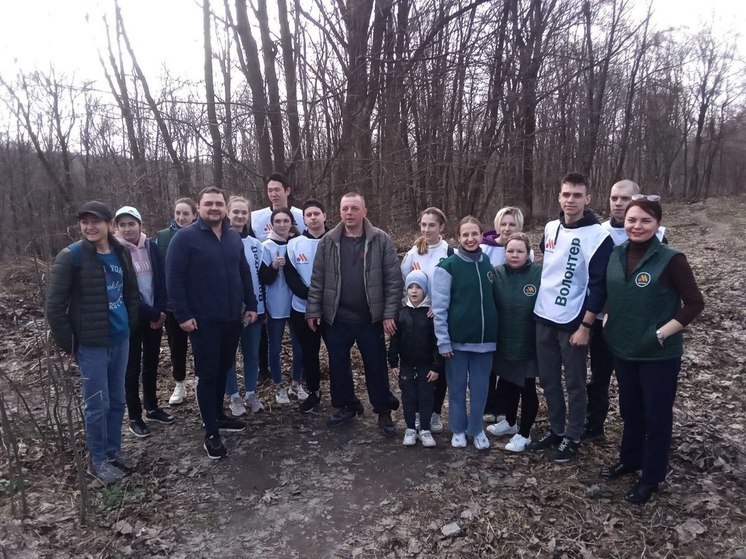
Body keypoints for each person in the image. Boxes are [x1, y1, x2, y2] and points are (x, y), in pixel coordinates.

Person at [600, 197, 703, 504]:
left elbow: (695, 303)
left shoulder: (671, 259)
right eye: (632, 220)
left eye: (645, 220)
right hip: (623, 348)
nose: (637, 226)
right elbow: (611, 292)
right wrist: (607, 318)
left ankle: (652, 476)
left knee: (656, 415)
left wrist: (662, 333)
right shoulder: (616, 253)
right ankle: (630, 459)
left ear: (657, 223)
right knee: (630, 411)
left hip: (658, 355)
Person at [46, 201, 139, 485]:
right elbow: (54, 307)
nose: (89, 226)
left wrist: (129, 324)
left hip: (120, 338)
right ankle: (98, 460)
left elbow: (131, 293)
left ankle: (113, 451)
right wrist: (71, 344)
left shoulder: (120, 252)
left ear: (109, 225)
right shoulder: (71, 257)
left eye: (95, 221)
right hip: (91, 344)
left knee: (118, 399)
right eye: (84, 221)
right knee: (97, 404)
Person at [166, 187, 258, 459]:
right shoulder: (185, 239)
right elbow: (174, 278)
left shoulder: (232, 237)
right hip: (203, 321)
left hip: (232, 318)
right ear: (199, 207)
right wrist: (182, 314)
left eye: (219, 204)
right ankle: (211, 432)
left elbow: (243, 271)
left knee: (223, 369)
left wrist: (251, 304)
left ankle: (219, 415)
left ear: (225, 208)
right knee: (207, 374)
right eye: (209, 204)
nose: (215, 208)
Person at [530, 172, 613, 463]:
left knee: (575, 383)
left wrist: (587, 325)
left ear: (587, 199)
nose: (570, 200)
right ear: (559, 196)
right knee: (549, 380)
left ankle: (574, 435)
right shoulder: (551, 227)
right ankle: (556, 429)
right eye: (566, 194)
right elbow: (548, 261)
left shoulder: (599, 236)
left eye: (577, 195)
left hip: (574, 322)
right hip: (543, 315)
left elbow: (599, 286)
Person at [306, 192, 402, 434]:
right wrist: (313, 310)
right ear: (339, 212)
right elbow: (318, 279)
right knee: (338, 364)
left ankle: (383, 410)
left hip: (371, 317)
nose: (349, 213)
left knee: (375, 364)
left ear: (364, 211)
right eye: (345, 208)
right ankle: (346, 405)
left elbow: (393, 280)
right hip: (336, 317)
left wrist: (390, 313)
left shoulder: (381, 240)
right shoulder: (328, 241)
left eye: (354, 208)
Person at [583, 180, 666, 442]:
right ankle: (594, 425)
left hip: (637, 321)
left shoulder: (658, 235)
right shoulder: (599, 232)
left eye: (625, 198)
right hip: (600, 318)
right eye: (614, 198)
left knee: (635, 380)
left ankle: (638, 432)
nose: (618, 203)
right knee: (599, 375)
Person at [432, 216, 497, 450]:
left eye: (474, 234)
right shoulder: (447, 266)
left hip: (485, 341)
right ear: (458, 237)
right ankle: (458, 428)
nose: (470, 239)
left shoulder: (486, 261)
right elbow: (439, 309)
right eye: (465, 235)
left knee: (480, 388)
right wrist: (443, 341)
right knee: (457, 386)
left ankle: (476, 428)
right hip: (456, 342)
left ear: (481, 235)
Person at [113, 206, 174, 439]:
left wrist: (159, 311)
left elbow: (161, 279)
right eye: (123, 225)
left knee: (151, 363)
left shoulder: (151, 246)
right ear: (116, 228)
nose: (128, 229)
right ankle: (135, 417)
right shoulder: (116, 251)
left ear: (140, 225)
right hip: (131, 319)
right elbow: (124, 291)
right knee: (131, 367)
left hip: (154, 317)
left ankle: (152, 407)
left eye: (132, 223)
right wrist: (151, 313)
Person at [486, 233, 542, 452]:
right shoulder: (496, 273)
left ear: (528, 253)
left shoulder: (539, 273)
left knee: (527, 387)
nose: (514, 255)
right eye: (510, 251)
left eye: (520, 251)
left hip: (529, 341)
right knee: (508, 383)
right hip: (503, 340)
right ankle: (510, 422)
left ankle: (525, 433)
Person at [399, 207, 452, 433]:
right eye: (423, 225)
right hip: (418, 315)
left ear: (441, 227)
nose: (427, 229)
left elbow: (454, 285)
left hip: (439, 316)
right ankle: (419, 414)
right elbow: (407, 280)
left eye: (432, 225)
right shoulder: (413, 252)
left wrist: (439, 307)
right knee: (418, 367)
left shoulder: (449, 252)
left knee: (438, 366)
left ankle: (435, 413)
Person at [479, 206, 532, 424]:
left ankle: (503, 407)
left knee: (508, 365)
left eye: (512, 224)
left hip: (514, 315)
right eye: (504, 224)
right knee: (489, 364)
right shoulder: (484, 248)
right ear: (498, 224)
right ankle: (488, 405)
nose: (508, 228)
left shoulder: (521, 248)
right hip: (490, 311)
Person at [388, 270, 443, 447]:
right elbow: (394, 340)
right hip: (406, 366)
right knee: (409, 397)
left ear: (425, 290)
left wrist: (436, 366)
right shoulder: (401, 313)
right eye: (410, 287)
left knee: (427, 398)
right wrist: (393, 362)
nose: (414, 291)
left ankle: (425, 429)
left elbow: (437, 342)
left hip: (426, 366)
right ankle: (411, 428)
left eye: (418, 287)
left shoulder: (430, 315)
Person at [259, 207, 307, 405]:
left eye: (285, 221)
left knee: (299, 346)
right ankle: (279, 386)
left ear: (291, 223)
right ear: (272, 224)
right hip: (276, 304)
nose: (281, 224)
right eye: (277, 221)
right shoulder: (266, 246)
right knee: (275, 347)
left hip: (296, 303)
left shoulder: (297, 244)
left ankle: (296, 384)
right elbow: (263, 278)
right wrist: (273, 267)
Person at [285, 200, 329, 412]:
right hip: (302, 309)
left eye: (316, 213)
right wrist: (311, 297)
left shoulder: (335, 240)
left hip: (332, 309)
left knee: (337, 353)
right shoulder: (294, 243)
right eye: (309, 214)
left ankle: (343, 395)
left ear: (324, 216)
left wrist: (323, 299)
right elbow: (291, 276)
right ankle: (314, 392)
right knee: (309, 353)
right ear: (304, 219)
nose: (313, 217)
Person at [224, 196, 266, 416]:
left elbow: (261, 274)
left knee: (251, 354)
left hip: (253, 308)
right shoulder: (219, 240)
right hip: (227, 310)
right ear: (227, 213)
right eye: (236, 212)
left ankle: (251, 393)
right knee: (228, 355)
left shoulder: (255, 243)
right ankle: (234, 396)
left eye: (244, 212)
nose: (239, 216)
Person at [155, 198, 198, 406]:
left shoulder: (202, 235)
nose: (181, 217)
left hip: (199, 304)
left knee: (201, 348)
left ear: (194, 216)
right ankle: (179, 384)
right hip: (173, 304)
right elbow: (158, 272)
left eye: (186, 214)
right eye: (178, 213)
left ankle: (201, 384)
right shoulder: (162, 237)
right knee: (177, 347)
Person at [249, 173, 306, 242]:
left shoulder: (302, 216)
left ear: (287, 191)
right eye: (270, 191)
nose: (273, 194)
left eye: (277, 190)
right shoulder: (255, 217)